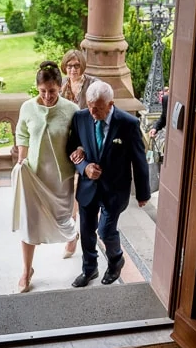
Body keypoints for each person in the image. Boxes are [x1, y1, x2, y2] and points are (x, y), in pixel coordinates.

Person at [66, 80, 151, 287]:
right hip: (88, 187)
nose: (93, 112)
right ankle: (89, 269)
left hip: (115, 189)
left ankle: (115, 261)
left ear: (111, 104)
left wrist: (143, 193)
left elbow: (139, 160)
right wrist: (84, 166)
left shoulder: (128, 124)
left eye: (98, 108)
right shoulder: (80, 117)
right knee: (86, 231)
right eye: (90, 106)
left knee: (105, 230)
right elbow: (71, 147)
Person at [11, 61, 84, 293]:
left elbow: (79, 140)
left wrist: (80, 152)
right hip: (33, 175)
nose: (47, 96)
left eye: (52, 91)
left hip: (60, 178)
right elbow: (22, 133)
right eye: (42, 91)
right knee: (29, 223)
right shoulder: (27, 108)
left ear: (60, 87)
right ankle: (26, 270)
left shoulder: (71, 110)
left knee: (63, 219)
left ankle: (73, 235)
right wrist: (21, 160)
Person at [59, 49, 99, 249]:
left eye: (76, 65)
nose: (72, 69)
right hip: (69, 144)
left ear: (82, 65)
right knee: (68, 190)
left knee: (81, 191)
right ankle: (72, 234)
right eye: (69, 65)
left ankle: (79, 235)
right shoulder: (62, 87)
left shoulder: (93, 84)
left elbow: (97, 117)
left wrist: (83, 146)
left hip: (89, 143)